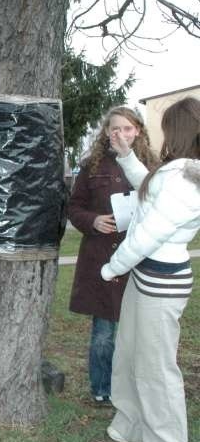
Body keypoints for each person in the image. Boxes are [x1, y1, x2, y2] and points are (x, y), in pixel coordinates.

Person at [101, 96, 200, 442]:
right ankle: (131, 421)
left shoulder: (189, 178)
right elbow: (149, 188)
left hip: (162, 281)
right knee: (128, 352)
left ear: (178, 131)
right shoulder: (177, 171)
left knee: (156, 368)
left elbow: (148, 233)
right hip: (146, 277)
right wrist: (126, 156)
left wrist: (113, 267)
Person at [68, 107, 155, 405]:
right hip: (102, 258)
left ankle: (132, 389)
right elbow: (74, 207)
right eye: (115, 129)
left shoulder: (151, 166)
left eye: (127, 128)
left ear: (138, 131)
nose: (121, 134)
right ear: (106, 132)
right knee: (103, 333)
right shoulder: (91, 166)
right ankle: (101, 390)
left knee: (138, 332)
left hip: (141, 261)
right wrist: (92, 220)